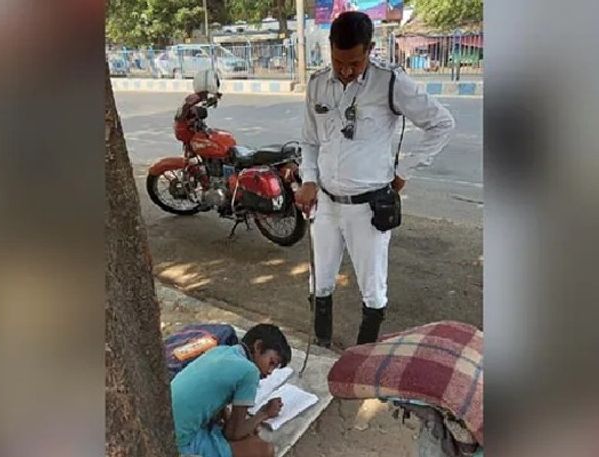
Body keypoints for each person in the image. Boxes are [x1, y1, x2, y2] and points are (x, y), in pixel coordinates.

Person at [295, 12, 455, 347]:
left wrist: (404, 172)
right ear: (330, 49)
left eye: (354, 62)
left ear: (370, 49)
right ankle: (322, 347)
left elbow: (441, 123)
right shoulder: (317, 84)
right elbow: (310, 141)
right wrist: (308, 178)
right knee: (319, 281)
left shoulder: (390, 82)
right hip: (325, 203)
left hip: (368, 208)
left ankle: (364, 355)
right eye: (339, 62)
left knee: (372, 288)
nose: (346, 71)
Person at [171, 324, 292, 457]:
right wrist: (264, 413)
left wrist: (236, 423)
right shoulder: (249, 371)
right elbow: (233, 434)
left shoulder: (221, 350)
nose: (270, 372)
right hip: (178, 443)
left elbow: (215, 400)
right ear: (258, 346)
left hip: (165, 424)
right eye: (272, 363)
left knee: (246, 433)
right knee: (265, 449)